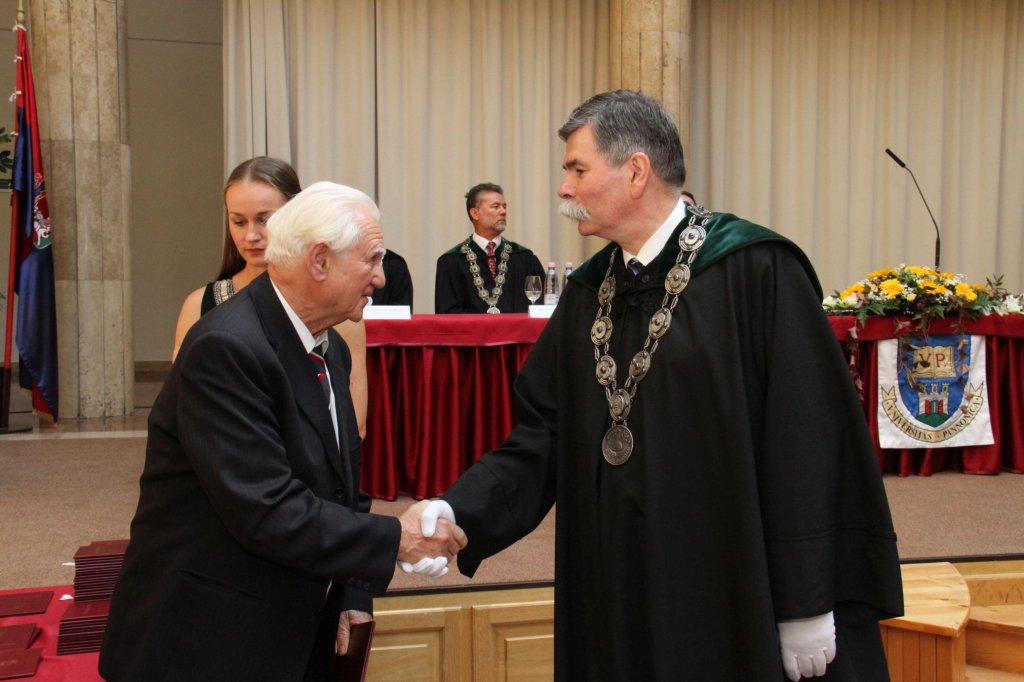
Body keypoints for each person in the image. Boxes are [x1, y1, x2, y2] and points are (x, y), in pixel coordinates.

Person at [415, 91, 903, 680]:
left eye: (577, 169)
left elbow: (809, 441)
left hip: (729, 588)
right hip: (618, 586)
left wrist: (808, 598)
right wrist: (457, 509)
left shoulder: (755, 268)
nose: (564, 188)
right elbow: (541, 438)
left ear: (636, 171)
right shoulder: (589, 293)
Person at [99, 182, 466, 682]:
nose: (381, 278)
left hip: (287, 625)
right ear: (320, 261)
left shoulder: (329, 347)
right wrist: (396, 539)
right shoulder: (226, 348)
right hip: (206, 641)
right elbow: (267, 509)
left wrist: (353, 593)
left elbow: (341, 488)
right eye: (372, 259)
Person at [171, 156, 370, 437]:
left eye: (264, 220)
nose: (251, 235)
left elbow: (353, 425)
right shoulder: (199, 306)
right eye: (239, 222)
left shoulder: (336, 308)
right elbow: (184, 410)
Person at [434, 182, 545, 313]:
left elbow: (541, 307)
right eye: (495, 206)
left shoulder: (525, 258)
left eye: (504, 206)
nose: (503, 211)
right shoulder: (451, 261)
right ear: (475, 213)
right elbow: (447, 313)